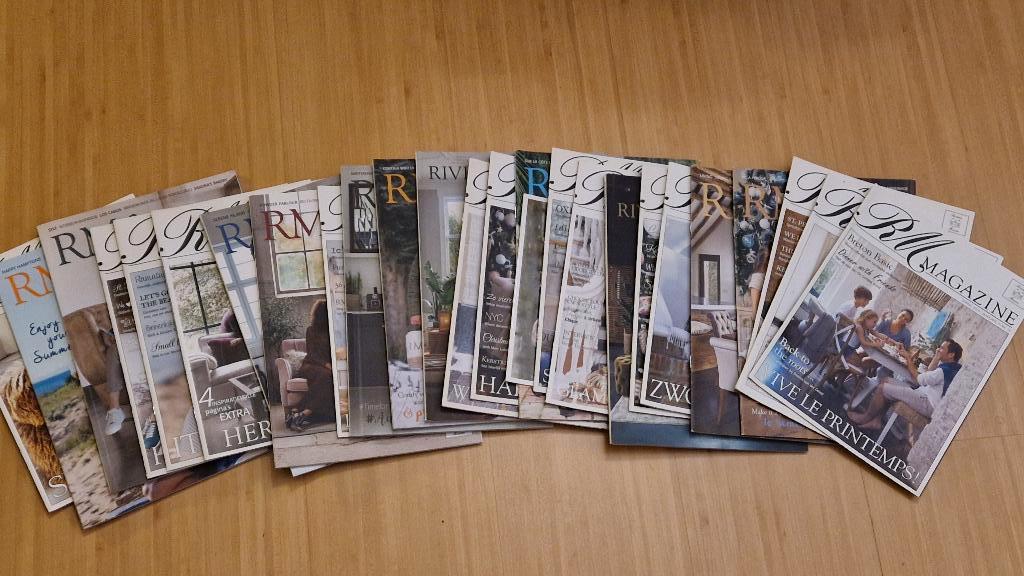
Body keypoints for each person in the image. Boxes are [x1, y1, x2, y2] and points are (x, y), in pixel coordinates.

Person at [848, 339, 963, 429]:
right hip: (922, 394)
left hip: (928, 403)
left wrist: (908, 357)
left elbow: (919, 379)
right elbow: (928, 374)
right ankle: (876, 420)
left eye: (942, 348)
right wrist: (937, 357)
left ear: (951, 355)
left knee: (883, 388)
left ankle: (865, 417)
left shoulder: (944, 371)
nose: (938, 349)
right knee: (886, 380)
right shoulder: (953, 368)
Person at [286, 300, 334, 431]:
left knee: (327, 378)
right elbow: (313, 354)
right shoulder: (311, 330)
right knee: (327, 376)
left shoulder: (332, 330)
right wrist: (327, 364)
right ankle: (302, 413)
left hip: (324, 368)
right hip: (310, 365)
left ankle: (296, 413)